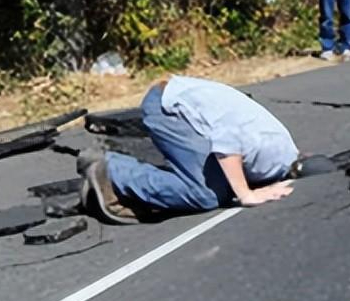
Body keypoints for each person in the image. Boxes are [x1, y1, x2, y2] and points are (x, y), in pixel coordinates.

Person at [78, 76, 299, 223]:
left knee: (221, 184)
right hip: (167, 107)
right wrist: (246, 194)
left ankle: (118, 171)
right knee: (206, 195)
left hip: (183, 98)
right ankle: (113, 171)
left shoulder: (285, 151)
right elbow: (227, 143)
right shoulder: (267, 148)